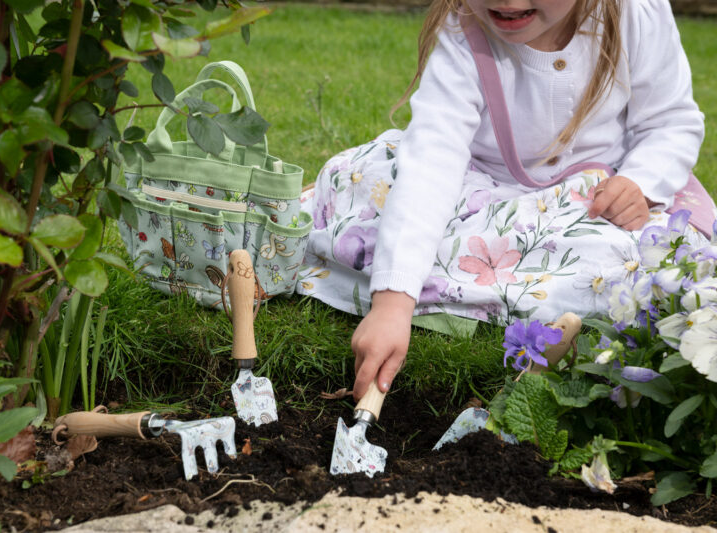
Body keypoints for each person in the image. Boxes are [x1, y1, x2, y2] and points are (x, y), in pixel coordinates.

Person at [296, 0, 715, 401]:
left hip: (593, 204)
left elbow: (670, 122)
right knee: (367, 187)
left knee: (639, 259)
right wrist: (391, 303)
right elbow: (431, 164)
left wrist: (639, 183)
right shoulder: (464, 32)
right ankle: (471, 284)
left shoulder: (634, 11)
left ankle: (479, 286)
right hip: (480, 192)